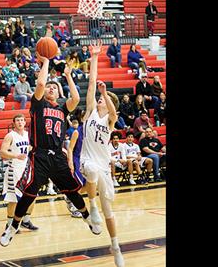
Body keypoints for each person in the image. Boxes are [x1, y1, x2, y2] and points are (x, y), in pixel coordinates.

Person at [0, 49, 99, 247]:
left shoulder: (62, 109)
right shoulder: (37, 105)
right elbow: (42, 83)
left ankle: (88, 218)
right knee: (29, 193)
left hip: (58, 157)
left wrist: (69, 76)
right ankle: (13, 227)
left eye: (55, 87)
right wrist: (45, 62)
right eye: (49, 88)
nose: (51, 88)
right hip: (40, 155)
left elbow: (76, 99)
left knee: (71, 192)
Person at [79, 41, 125, 267]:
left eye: (103, 99)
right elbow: (90, 84)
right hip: (88, 162)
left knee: (110, 212)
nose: (98, 99)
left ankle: (115, 245)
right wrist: (94, 57)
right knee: (90, 170)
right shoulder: (89, 113)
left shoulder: (109, 120)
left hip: (104, 166)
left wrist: (106, 94)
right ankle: (92, 207)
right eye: (99, 98)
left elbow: (115, 112)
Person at [0, 114, 38, 232]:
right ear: (14, 123)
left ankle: (26, 221)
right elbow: (2, 152)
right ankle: (10, 224)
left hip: (27, 169)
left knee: (32, 196)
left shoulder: (28, 135)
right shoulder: (10, 136)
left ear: (25, 122)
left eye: (22, 120)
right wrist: (16, 155)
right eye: (17, 120)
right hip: (14, 169)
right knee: (14, 199)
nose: (20, 122)